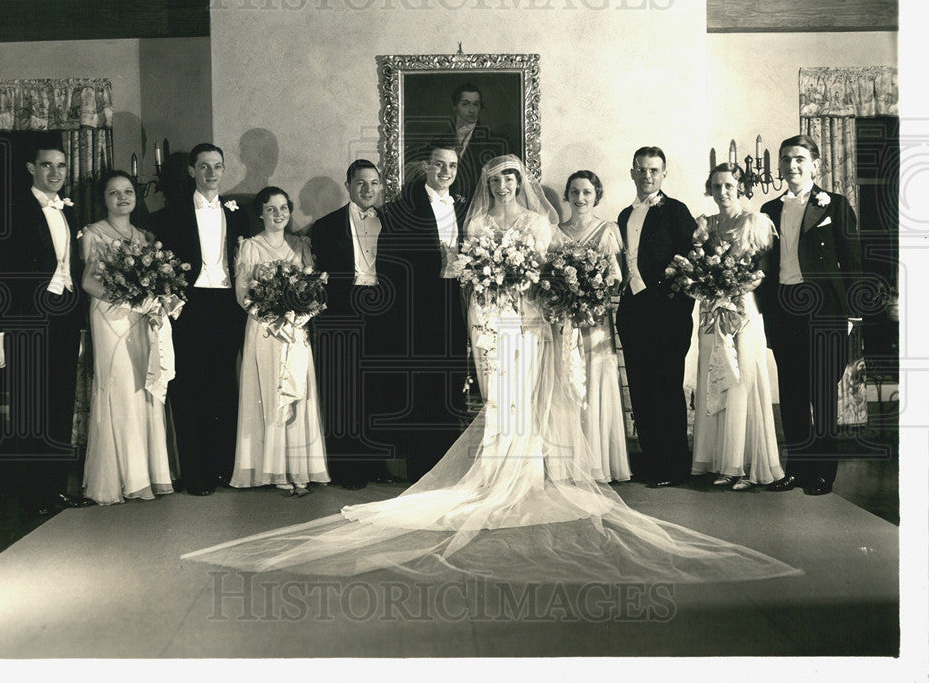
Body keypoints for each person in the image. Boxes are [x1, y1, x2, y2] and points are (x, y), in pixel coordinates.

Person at [183, 155, 800, 586]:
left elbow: (558, 269)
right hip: (494, 326)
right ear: (487, 182)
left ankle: (533, 469)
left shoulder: (538, 223)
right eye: (496, 177)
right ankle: (495, 471)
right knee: (501, 400)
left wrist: (544, 291)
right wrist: (483, 310)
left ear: (520, 180)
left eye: (512, 175)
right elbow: (464, 278)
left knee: (530, 399)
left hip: (531, 322)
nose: (504, 183)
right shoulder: (476, 223)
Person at [0, 144, 88, 516]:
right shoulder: (12, 210)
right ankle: (29, 495)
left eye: (60, 166)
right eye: (46, 166)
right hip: (26, 319)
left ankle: (53, 490)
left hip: (64, 315)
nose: (55, 173)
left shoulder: (68, 209)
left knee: (58, 404)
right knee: (32, 410)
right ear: (31, 168)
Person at [759, 135, 862, 496]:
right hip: (784, 308)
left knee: (822, 394)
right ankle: (797, 470)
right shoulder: (769, 210)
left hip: (825, 311)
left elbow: (853, 262)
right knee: (792, 394)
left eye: (800, 158)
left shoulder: (834, 204)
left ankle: (822, 474)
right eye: (786, 159)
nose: (792, 165)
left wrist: (853, 316)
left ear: (815, 165)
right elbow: (763, 264)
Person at [158, 143, 249, 496]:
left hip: (227, 304)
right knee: (189, 389)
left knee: (224, 387)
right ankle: (196, 473)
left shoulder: (237, 212)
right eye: (205, 167)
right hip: (190, 305)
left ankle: (222, 467)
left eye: (218, 166)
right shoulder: (171, 214)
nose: (212, 173)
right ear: (192, 171)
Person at [79, 171, 174, 505]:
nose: (122, 198)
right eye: (114, 193)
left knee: (144, 388)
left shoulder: (144, 236)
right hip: (109, 318)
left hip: (140, 318)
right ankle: (130, 479)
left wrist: (154, 301)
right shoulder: (93, 234)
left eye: (128, 191)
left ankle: (150, 473)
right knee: (120, 390)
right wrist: (130, 299)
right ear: (104, 199)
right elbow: (89, 283)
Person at [377, 143, 470, 480]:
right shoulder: (402, 209)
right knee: (420, 389)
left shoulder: (463, 208)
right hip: (418, 312)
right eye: (439, 165)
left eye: (452, 166)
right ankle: (421, 469)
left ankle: (447, 468)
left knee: (449, 385)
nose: (446, 172)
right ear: (426, 168)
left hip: (452, 307)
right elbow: (390, 267)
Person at [689, 164, 784, 490]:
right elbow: (697, 265)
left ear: (740, 187)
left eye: (729, 185)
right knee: (715, 379)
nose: (723, 192)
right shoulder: (706, 225)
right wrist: (710, 288)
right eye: (717, 186)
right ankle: (718, 462)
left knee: (741, 380)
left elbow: (762, 270)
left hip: (742, 310)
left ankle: (741, 466)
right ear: (710, 189)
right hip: (713, 310)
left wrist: (734, 290)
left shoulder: (755, 222)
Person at [230, 187, 329, 496]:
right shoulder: (251, 247)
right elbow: (242, 293)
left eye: (283, 208)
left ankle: (298, 467)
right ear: (261, 212)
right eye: (271, 209)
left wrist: (299, 317)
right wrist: (272, 319)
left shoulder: (301, 245)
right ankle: (273, 469)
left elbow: (313, 290)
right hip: (265, 330)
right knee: (269, 392)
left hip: (296, 330)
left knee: (297, 393)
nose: (278, 214)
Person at [308, 159, 394, 489]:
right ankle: (347, 469)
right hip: (343, 310)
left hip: (381, 311)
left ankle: (376, 465)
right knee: (344, 390)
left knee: (377, 388)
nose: (368, 189)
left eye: (373, 183)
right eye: (360, 183)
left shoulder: (392, 222)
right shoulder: (326, 226)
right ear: (348, 186)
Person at [616, 147, 696, 488]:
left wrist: (674, 306)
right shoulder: (623, 215)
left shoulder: (676, 211)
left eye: (654, 170)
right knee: (642, 389)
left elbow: (692, 262)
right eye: (642, 170)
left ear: (664, 174)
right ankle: (651, 461)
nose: (647, 176)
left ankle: (673, 466)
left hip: (667, 315)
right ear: (632, 172)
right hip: (633, 314)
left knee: (666, 389)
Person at [558, 170, 631, 483]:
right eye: (575, 192)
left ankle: (598, 461)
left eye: (587, 192)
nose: (580, 198)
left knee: (596, 379)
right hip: (565, 319)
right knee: (568, 381)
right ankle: (570, 460)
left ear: (596, 195)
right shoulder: (555, 232)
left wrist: (591, 291)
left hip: (596, 318)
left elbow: (615, 278)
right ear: (567, 195)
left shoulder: (607, 230)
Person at [428, 82, 509, 202]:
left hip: (478, 206)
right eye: (465, 104)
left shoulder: (493, 143)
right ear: (454, 106)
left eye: (476, 105)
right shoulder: (438, 141)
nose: (472, 110)